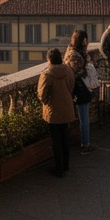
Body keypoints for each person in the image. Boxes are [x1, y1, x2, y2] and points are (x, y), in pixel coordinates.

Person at [37, 47, 77, 177]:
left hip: (52, 111)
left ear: (49, 60)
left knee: (56, 140)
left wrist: (47, 102)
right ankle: (65, 164)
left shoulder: (47, 74)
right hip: (66, 108)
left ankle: (59, 168)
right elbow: (72, 86)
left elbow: (42, 94)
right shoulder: (69, 70)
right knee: (64, 136)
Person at [64, 30, 96, 154]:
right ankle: (85, 144)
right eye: (84, 39)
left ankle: (84, 142)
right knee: (84, 118)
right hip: (80, 89)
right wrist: (86, 68)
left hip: (79, 88)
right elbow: (77, 72)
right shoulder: (74, 54)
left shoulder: (76, 52)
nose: (86, 42)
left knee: (83, 117)